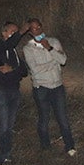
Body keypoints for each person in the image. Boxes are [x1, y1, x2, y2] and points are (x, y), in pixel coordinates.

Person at [23, 18, 76, 156]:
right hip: (41, 88)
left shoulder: (53, 42)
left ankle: (70, 146)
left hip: (57, 86)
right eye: (34, 29)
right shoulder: (28, 49)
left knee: (62, 118)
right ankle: (45, 147)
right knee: (44, 118)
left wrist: (50, 49)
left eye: (39, 27)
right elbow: (35, 70)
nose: (38, 30)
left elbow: (63, 60)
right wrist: (53, 62)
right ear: (30, 32)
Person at [0, 22, 26, 165]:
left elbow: (24, 71)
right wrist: (22, 31)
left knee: (9, 126)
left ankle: (6, 153)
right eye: (12, 31)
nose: (15, 35)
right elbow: (2, 69)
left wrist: (12, 69)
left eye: (16, 32)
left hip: (14, 90)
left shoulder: (14, 52)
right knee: (3, 125)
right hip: (1, 90)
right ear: (4, 33)